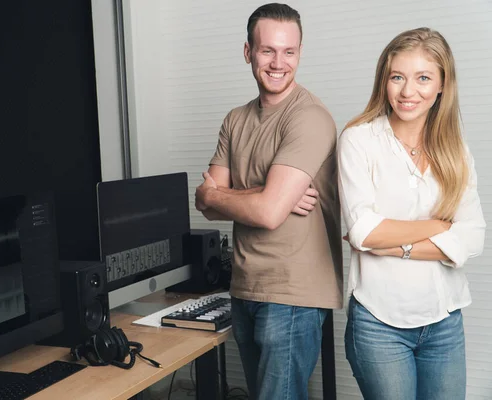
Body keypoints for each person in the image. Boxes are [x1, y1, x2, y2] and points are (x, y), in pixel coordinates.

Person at [194, 3, 343, 399]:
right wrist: (260, 192)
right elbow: (204, 202)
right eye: (267, 50)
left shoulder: (309, 117)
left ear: (300, 53)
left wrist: (237, 195)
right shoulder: (235, 120)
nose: (279, 62)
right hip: (245, 288)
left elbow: (268, 212)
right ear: (248, 52)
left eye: (289, 51)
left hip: (291, 295)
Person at [338, 27, 486, 400]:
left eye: (423, 78)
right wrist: (438, 227)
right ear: (384, 80)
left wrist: (396, 246)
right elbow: (364, 232)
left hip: (444, 320)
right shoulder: (359, 139)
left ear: (441, 85)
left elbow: (472, 237)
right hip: (378, 322)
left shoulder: (455, 150)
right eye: (397, 77)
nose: (408, 91)